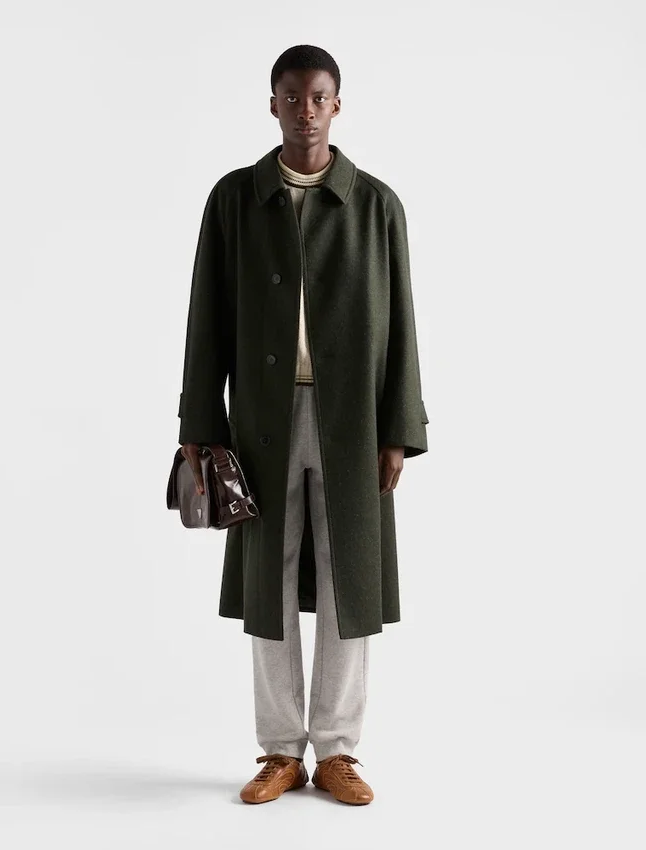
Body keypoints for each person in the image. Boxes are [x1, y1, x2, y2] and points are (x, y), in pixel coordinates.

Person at [176, 44, 429, 805]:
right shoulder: (234, 200)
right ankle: (280, 750)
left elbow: (403, 324)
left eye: (319, 97)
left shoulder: (376, 205)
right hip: (261, 420)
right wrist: (200, 423)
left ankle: (339, 751)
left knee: (351, 579)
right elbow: (206, 316)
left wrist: (399, 429)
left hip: (355, 421)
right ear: (273, 104)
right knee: (270, 581)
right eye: (292, 97)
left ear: (337, 105)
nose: (306, 111)